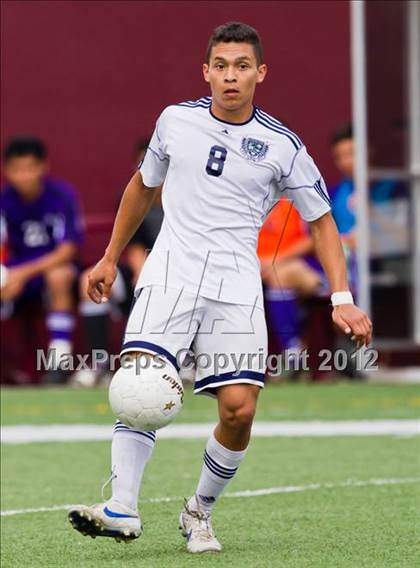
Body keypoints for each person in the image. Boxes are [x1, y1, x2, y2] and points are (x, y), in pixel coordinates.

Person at [68, 22, 372, 553]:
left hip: (236, 283)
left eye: (243, 66)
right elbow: (143, 186)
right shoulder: (174, 121)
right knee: (139, 387)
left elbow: (322, 220)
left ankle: (199, 511)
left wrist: (341, 298)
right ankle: (122, 508)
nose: (232, 76)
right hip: (170, 273)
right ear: (206, 71)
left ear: (260, 73)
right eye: (222, 66)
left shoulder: (284, 146)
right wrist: (110, 257)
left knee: (239, 411)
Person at [73, 138, 164, 386]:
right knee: (88, 281)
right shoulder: (135, 197)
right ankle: (99, 362)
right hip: (143, 274)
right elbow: (135, 247)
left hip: (179, 275)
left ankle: (186, 361)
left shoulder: (190, 201)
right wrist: (142, 275)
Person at [0, 136, 83, 383]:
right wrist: (6, 275)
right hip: (16, 272)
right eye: (17, 170)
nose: (24, 176)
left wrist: (21, 274)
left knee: (59, 276)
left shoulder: (61, 195)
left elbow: (67, 250)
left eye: (30, 168)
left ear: (43, 166)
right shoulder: (4, 201)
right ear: (6, 170)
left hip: (51, 268)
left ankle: (59, 362)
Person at [258, 196, 320, 364]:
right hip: (249, 264)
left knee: (281, 275)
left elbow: (312, 239)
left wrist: (274, 261)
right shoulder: (245, 196)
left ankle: (293, 352)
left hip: (293, 264)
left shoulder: (296, 198)